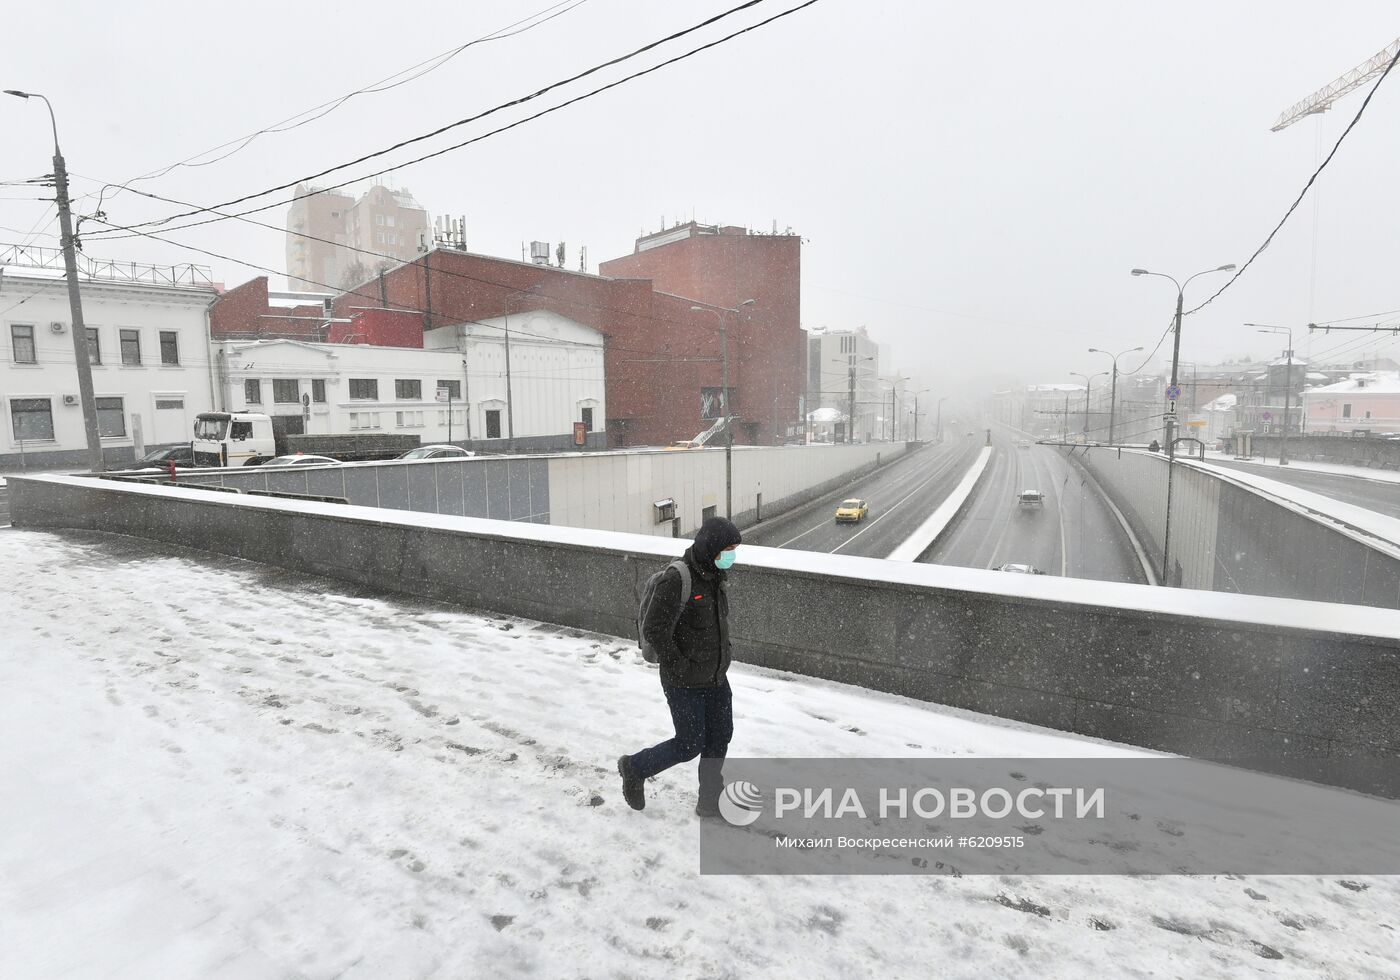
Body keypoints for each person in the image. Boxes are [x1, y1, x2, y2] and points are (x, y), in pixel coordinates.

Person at [618, 516, 742, 818]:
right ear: (710, 547)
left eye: (734, 549)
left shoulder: (715, 576)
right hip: (683, 681)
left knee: (720, 735)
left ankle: (710, 799)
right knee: (689, 744)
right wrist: (681, 664)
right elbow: (654, 629)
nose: (732, 555)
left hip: (715, 676)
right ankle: (634, 768)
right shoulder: (678, 579)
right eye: (727, 549)